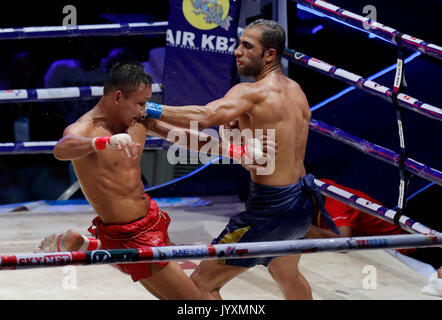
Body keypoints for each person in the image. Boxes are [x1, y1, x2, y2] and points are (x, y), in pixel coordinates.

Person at [37, 60, 273, 300]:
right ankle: (96, 247)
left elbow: (182, 137)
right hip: (130, 236)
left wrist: (235, 151)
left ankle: (92, 247)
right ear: (118, 97)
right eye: (140, 103)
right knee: (196, 302)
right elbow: (62, 149)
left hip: (150, 219)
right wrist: (104, 143)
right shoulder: (86, 129)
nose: (144, 109)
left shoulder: (139, 120)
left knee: (186, 297)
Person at [141, 19, 339, 300]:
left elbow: (205, 118)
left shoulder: (251, 93)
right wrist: (153, 124)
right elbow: (214, 142)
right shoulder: (295, 91)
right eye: (238, 43)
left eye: (247, 46)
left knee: (201, 284)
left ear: (270, 54)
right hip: (301, 203)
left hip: (268, 210)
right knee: (286, 273)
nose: (237, 51)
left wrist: (148, 107)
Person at [307, 178, 442, 279]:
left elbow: (342, 240)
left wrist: (303, 226)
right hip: (376, 252)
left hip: (408, 251)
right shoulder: (315, 187)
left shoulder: (336, 200)